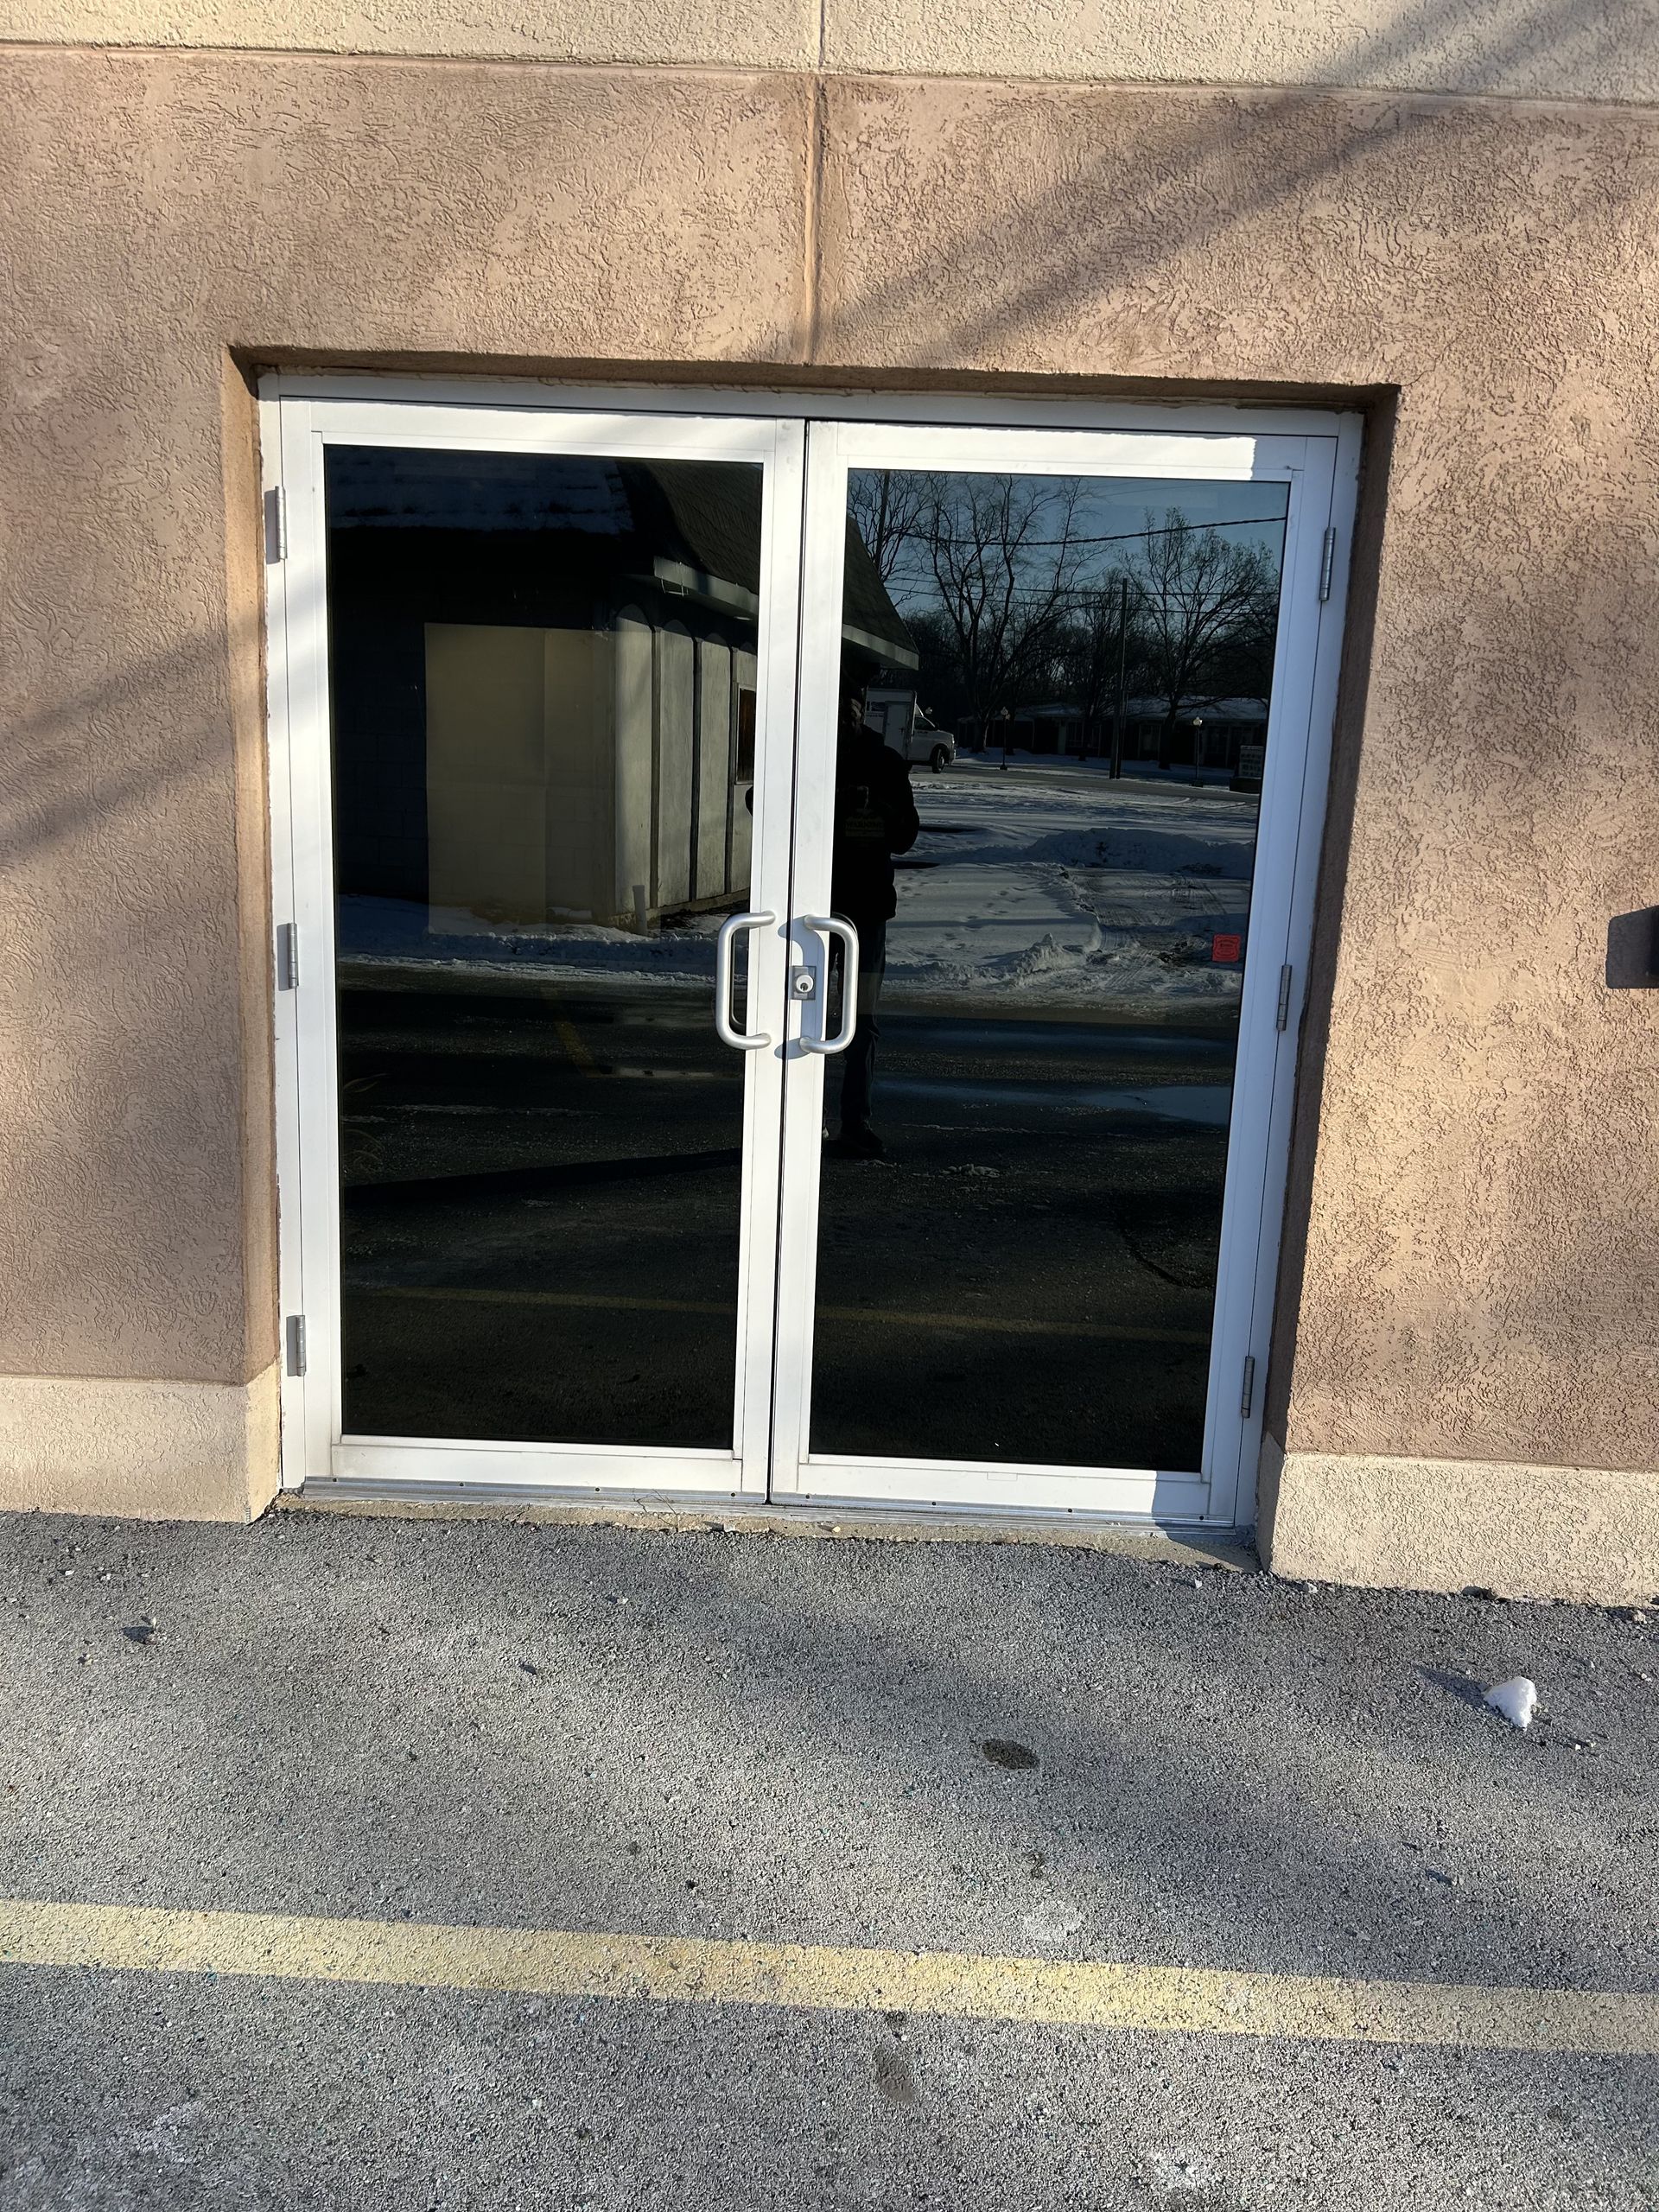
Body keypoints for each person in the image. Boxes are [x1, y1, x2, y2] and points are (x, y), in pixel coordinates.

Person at [825, 678, 919, 1159]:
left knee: (862, 1022)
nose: (845, 720)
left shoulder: (885, 764)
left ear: (863, 713)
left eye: (851, 711)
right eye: (837, 711)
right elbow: (760, 802)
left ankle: (853, 1123)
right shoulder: (807, 756)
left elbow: (906, 836)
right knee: (806, 1018)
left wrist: (879, 806)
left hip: (866, 913)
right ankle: (797, 1118)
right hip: (813, 913)